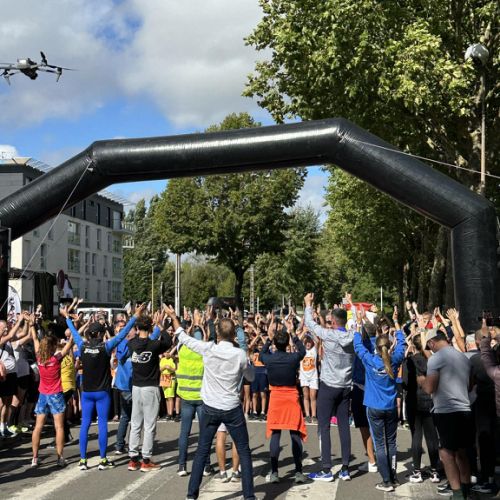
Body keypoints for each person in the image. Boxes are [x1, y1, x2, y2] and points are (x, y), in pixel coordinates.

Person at [164, 304, 257, 500]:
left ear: (217, 335)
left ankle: (191, 495)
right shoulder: (239, 354)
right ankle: (249, 496)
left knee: (202, 450)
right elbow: (251, 376)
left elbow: (183, 337)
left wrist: (174, 317)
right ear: (233, 336)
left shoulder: (208, 348)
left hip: (211, 406)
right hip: (231, 406)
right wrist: (246, 361)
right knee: (244, 450)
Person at [61, 302, 143, 471]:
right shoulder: (105, 347)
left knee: (85, 424)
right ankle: (103, 459)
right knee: (102, 424)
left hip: (87, 391)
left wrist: (67, 318)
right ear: (100, 334)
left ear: (89, 334)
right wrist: (135, 316)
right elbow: (122, 335)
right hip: (103, 392)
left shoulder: (82, 346)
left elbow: (74, 333)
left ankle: (83, 460)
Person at [303, 292, 355, 482]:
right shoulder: (353, 335)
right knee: (344, 427)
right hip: (345, 386)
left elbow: (310, 324)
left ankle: (326, 468)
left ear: (332, 321)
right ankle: (345, 468)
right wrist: (350, 304)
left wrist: (308, 305)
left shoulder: (329, 334)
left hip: (328, 386)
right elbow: (356, 321)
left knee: (323, 426)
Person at [353, 309, 406, 492]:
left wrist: (358, 324)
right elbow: (402, 344)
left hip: (374, 407)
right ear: (389, 346)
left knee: (380, 445)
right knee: (391, 443)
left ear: (376, 347)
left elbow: (358, 346)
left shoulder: (371, 360)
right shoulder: (395, 359)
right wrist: (396, 324)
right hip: (390, 407)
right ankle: (393, 477)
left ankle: (386, 481)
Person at [418, 328, 472, 500]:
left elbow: (429, 388)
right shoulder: (462, 357)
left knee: (446, 454)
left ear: (432, 342)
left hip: (446, 411)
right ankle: (466, 490)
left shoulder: (436, 359)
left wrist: (422, 381)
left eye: (430, 346)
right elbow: (470, 384)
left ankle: (457, 494)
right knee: (462, 452)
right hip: (465, 408)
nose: (431, 350)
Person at [259, 317, 307, 484]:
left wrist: (269, 338)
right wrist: (293, 333)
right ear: (287, 344)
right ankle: (299, 471)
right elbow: (302, 351)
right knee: (294, 433)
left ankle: (274, 472)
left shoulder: (270, 358)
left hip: (276, 397)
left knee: (275, 433)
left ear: (275, 343)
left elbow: (261, 354)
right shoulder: (293, 358)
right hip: (291, 397)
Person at [127, 312, 172, 472]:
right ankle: (146, 460)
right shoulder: (154, 345)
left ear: (137, 328)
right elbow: (168, 341)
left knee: (135, 423)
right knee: (149, 425)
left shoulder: (132, 344)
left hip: (136, 387)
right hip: (150, 387)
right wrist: (160, 326)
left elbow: (133, 338)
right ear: (151, 327)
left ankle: (133, 459)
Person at [31, 327, 74, 467]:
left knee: (38, 426)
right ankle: (60, 457)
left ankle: (34, 458)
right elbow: (70, 344)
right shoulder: (56, 359)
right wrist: (74, 328)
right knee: (59, 427)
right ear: (52, 347)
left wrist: (32, 325)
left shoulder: (39, 358)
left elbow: (35, 339)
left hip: (43, 395)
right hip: (55, 394)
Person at [298, 333, 319, 423]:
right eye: (306, 342)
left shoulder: (314, 350)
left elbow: (317, 341)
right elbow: (297, 341)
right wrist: (304, 332)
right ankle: (307, 415)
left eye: (309, 342)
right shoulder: (302, 351)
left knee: (313, 396)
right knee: (306, 396)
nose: (308, 344)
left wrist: (311, 332)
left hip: (313, 377)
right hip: (304, 377)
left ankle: (314, 415)